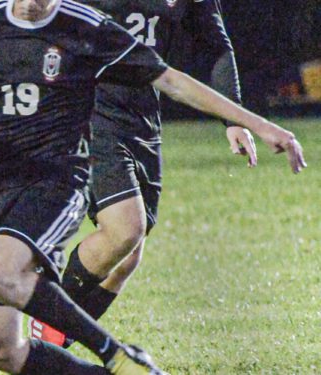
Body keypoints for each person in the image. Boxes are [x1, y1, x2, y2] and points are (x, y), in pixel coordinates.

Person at [0, 0, 305, 373]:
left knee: (106, 254)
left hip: (92, 152)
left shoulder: (85, 25)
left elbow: (183, 71)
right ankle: (103, 357)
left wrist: (249, 121)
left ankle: (98, 347)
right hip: (37, 156)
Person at [29, 0, 305, 348]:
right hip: (88, 111)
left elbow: (217, 48)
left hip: (142, 117)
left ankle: (54, 343)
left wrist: (234, 120)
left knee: (128, 256)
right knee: (125, 229)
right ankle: (46, 318)